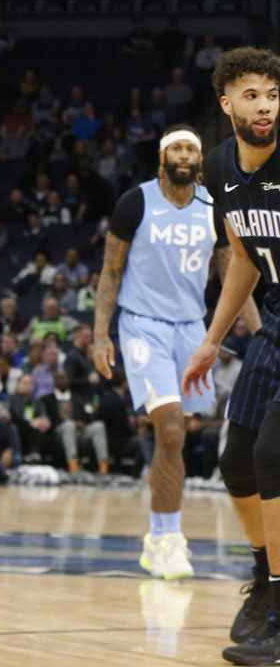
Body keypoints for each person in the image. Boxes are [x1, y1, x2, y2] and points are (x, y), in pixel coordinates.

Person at [92, 123, 260, 581]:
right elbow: (110, 271)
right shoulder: (136, 202)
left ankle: (157, 539)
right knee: (169, 432)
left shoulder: (214, 206)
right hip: (142, 326)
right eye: (178, 148)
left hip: (191, 330)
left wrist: (263, 333)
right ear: (163, 156)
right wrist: (100, 335)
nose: (186, 155)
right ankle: (166, 538)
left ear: (199, 159)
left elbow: (235, 277)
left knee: (180, 432)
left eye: (192, 149)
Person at [180, 47, 280, 662]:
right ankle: (266, 584)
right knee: (236, 459)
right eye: (251, 95)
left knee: (274, 453)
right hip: (273, 324)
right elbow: (242, 258)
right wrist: (212, 340)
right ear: (227, 103)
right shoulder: (219, 169)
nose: (265, 105)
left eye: (272, 94)